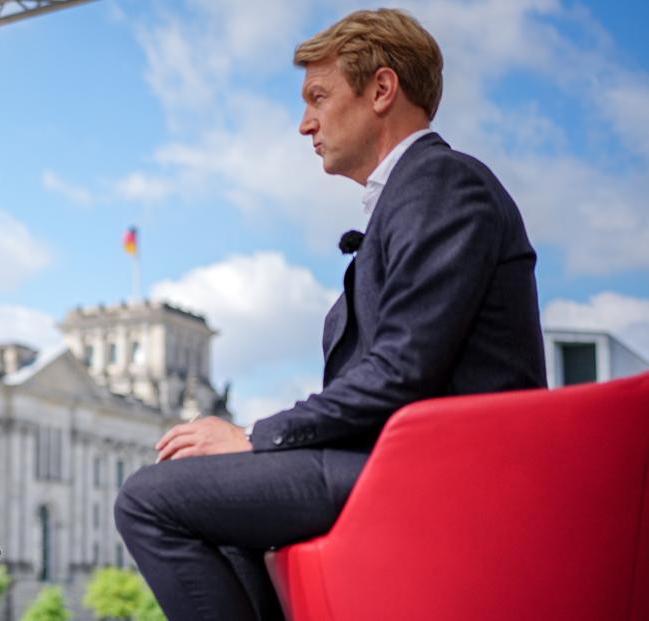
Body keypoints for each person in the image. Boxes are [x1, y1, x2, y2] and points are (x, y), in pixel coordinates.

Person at [114, 9, 546, 621]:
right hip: (406, 459)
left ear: (381, 90)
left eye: (318, 97)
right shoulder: (415, 194)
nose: (304, 124)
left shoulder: (443, 184)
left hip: (444, 472)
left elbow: (403, 369)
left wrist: (253, 438)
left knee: (146, 499)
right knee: (219, 505)